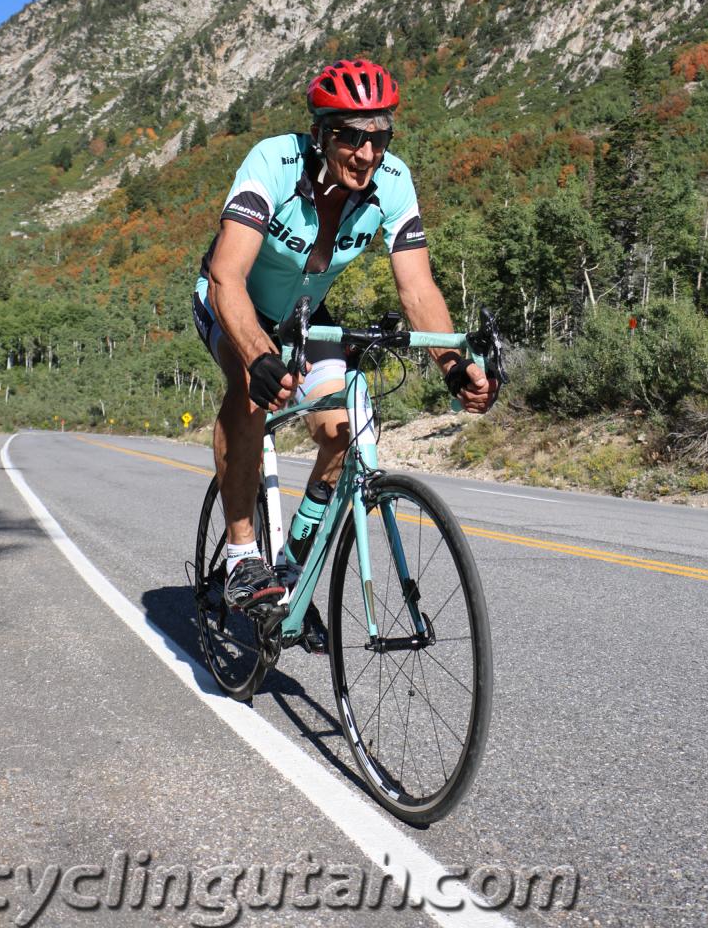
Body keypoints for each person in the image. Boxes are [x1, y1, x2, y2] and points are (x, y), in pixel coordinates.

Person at [192, 59, 496, 616]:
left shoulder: (393, 182)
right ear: (320, 134)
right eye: (350, 137)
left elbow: (417, 288)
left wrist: (454, 365)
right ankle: (241, 555)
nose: (365, 153)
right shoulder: (274, 162)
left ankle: (293, 569)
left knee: (344, 430)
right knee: (249, 390)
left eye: (378, 138)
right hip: (233, 304)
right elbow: (226, 277)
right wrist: (258, 356)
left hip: (307, 317)